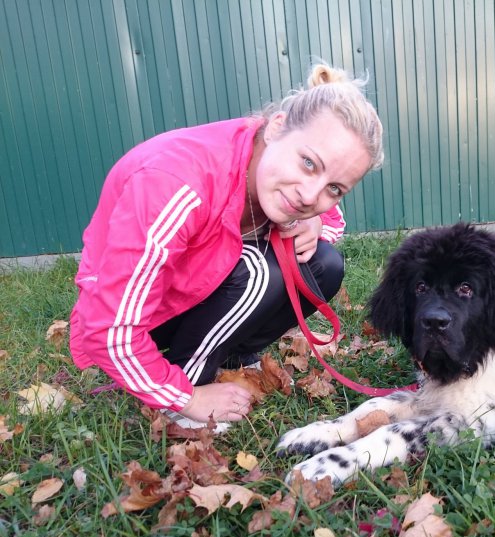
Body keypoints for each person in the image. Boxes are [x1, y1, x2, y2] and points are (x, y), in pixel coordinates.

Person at [69, 62, 384, 430]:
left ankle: (231, 358)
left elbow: (330, 221)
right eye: (309, 163)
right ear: (278, 126)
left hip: (197, 292)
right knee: (258, 273)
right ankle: (187, 383)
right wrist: (187, 397)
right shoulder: (175, 183)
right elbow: (108, 330)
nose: (310, 194)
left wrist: (312, 220)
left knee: (324, 264)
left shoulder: (276, 168)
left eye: (334, 188)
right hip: (144, 316)